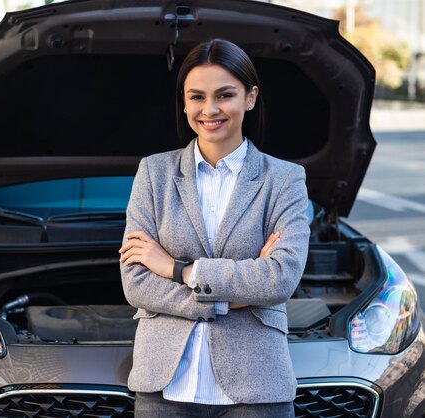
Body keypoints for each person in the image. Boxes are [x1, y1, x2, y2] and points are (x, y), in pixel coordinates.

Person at [119, 38, 310, 418]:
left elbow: (280, 278)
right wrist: (229, 298)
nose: (209, 110)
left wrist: (179, 270)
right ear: (185, 102)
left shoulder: (285, 179)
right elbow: (136, 281)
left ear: (250, 98)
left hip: (257, 385)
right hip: (164, 385)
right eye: (197, 97)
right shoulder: (153, 173)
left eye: (225, 95)